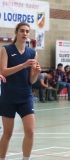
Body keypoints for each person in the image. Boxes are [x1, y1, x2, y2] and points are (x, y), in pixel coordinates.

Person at [0, 22, 42, 160]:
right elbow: (3, 72)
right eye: (22, 31)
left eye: (27, 31)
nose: (25, 33)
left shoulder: (33, 53)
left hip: (25, 97)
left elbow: (31, 80)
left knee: (30, 131)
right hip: (8, 97)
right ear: (16, 32)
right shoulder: (6, 49)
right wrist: (23, 65)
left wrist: (36, 73)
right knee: (7, 133)